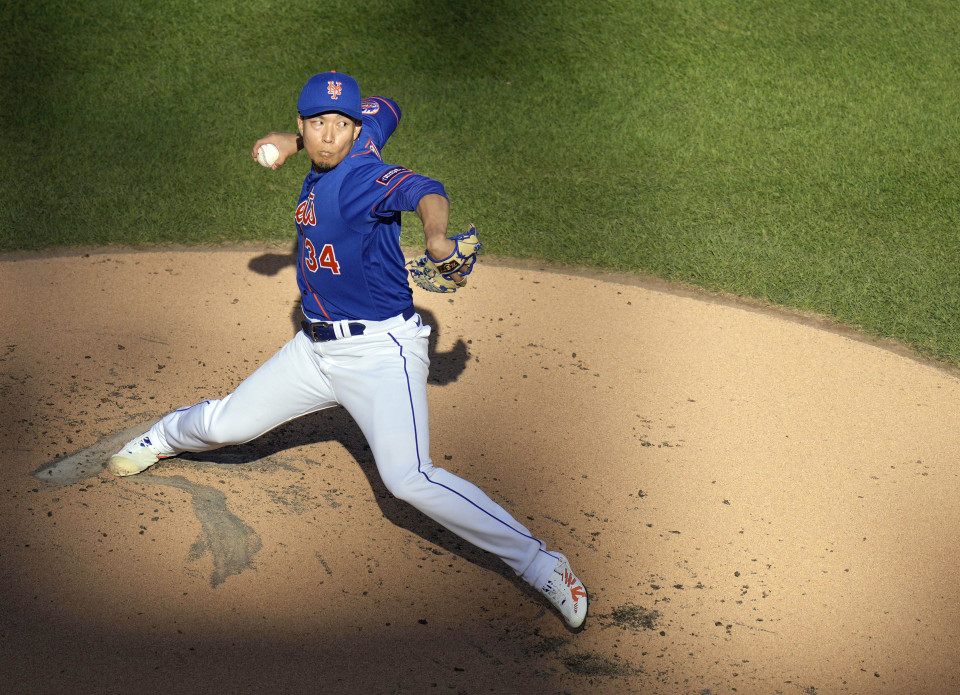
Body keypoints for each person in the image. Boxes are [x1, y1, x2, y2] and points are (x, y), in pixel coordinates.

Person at [107, 71, 588, 629]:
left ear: (355, 131)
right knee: (225, 427)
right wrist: (290, 146)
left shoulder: (365, 175)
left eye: (341, 125)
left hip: (383, 354)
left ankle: (541, 563)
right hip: (313, 351)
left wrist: (435, 236)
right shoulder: (359, 129)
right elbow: (390, 105)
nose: (329, 136)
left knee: (407, 478)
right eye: (318, 124)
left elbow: (424, 189)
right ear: (304, 124)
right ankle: (162, 436)